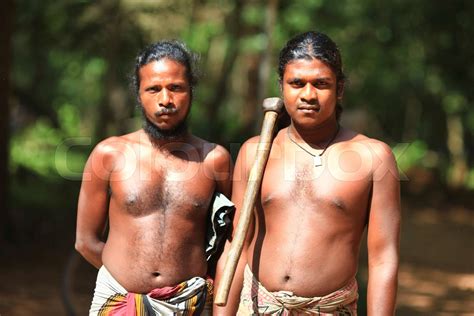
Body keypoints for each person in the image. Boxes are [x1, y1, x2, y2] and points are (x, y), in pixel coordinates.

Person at [214, 31, 401, 315]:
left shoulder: (373, 157)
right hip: (257, 307)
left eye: (321, 84)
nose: (308, 95)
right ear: (281, 87)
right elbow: (236, 249)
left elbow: (383, 259)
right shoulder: (254, 153)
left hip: (328, 309)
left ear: (339, 89)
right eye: (297, 83)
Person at [75, 40, 234, 315]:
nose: (165, 100)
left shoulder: (214, 159)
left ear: (191, 91)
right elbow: (85, 242)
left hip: (190, 303)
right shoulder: (109, 154)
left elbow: (230, 241)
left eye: (176, 88)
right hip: (117, 300)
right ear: (139, 94)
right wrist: (125, 277)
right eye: (153, 89)